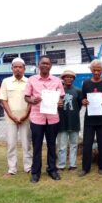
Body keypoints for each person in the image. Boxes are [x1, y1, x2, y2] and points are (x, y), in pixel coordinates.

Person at [24, 55, 65, 183]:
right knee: (37, 146)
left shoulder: (57, 81)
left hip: (53, 118)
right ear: (38, 65)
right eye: (43, 63)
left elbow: (61, 97)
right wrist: (32, 100)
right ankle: (36, 172)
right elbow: (26, 97)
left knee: (52, 145)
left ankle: (52, 169)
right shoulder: (31, 79)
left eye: (48, 63)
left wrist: (60, 103)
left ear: (50, 66)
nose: (45, 65)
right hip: (37, 118)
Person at [0, 57, 32, 176]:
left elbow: (31, 101)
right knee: (11, 144)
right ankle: (12, 169)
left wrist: (26, 115)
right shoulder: (6, 81)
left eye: (20, 67)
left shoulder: (29, 81)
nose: (18, 69)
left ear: (24, 69)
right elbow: (3, 100)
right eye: (15, 67)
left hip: (26, 117)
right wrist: (12, 116)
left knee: (26, 144)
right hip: (11, 118)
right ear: (12, 68)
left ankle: (28, 167)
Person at [79, 59, 102, 177]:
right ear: (91, 70)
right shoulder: (86, 83)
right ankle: (85, 168)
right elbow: (83, 99)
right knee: (87, 144)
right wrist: (84, 101)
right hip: (89, 119)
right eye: (94, 70)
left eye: (99, 70)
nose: (96, 72)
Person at [57, 70, 82, 171]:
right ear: (63, 78)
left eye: (71, 77)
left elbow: (79, 106)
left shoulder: (78, 91)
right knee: (62, 146)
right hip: (61, 122)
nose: (69, 79)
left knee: (73, 145)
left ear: (74, 79)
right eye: (66, 77)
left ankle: (73, 165)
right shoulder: (58, 91)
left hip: (74, 121)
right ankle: (61, 165)